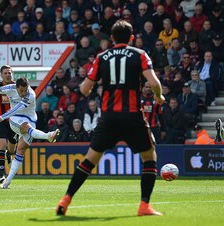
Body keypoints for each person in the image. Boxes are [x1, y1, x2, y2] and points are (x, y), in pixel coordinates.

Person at [56, 20, 165, 216]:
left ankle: (66, 199)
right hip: (133, 116)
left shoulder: (102, 56)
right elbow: (154, 82)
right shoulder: (140, 55)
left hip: (108, 118)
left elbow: (84, 89)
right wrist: (158, 96)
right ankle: (144, 206)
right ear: (132, 38)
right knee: (150, 157)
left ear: (112, 38)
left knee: (89, 160)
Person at [0, 77, 60, 189]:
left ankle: (7, 182)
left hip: (30, 119)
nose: (23, 93)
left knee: (20, 150)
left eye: (25, 90)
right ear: (16, 87)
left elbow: (17, 107)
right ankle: (48, 136)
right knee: (25, 127)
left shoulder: (30, 95)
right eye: (21, 90)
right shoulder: (9, 88)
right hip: (15, 119)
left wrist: (1, 118)